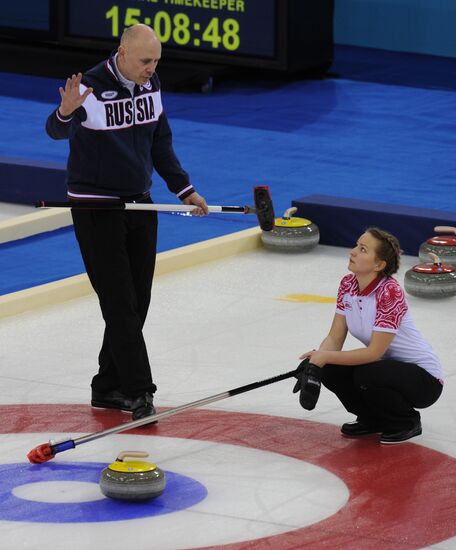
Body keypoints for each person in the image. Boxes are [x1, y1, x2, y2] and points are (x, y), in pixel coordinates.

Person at [46, 24, 208, 421]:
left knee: (137, 301)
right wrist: (65, 111)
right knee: (119, 303)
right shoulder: (90, 86)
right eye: (144, 61)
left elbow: (160, 141)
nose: (151, 68)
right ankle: (139, 391)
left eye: (156, 61)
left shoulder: (150, 85)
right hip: (96, 207)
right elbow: (54, 129)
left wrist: (184, 189)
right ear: (122, 52)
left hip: (140, 203)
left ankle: (106, 386)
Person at [297, 227, 443, 444]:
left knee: (368, 374)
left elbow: (374, 352)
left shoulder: (389, 291)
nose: (353, 251)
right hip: (385, 368)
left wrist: (325, 357)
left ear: (379, 264)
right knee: (330, 368)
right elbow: (335, 338)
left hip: (424, 380)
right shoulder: (348, 284)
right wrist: (315, 365)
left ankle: (406, 421)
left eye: (363, 249)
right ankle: (372, 418)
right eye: (357, 245)